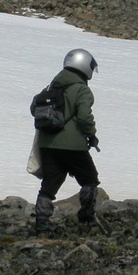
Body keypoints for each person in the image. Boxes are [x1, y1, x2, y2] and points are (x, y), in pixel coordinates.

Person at [30, 48, 100, 235]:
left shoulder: (51, 86)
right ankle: (86, 220)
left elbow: (33, 108)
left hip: (47, 144)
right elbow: (85, 117)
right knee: (90, 180)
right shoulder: (81, 89)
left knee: (49, 186)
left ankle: (41, 226)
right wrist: (92, 136)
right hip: (73, 145)